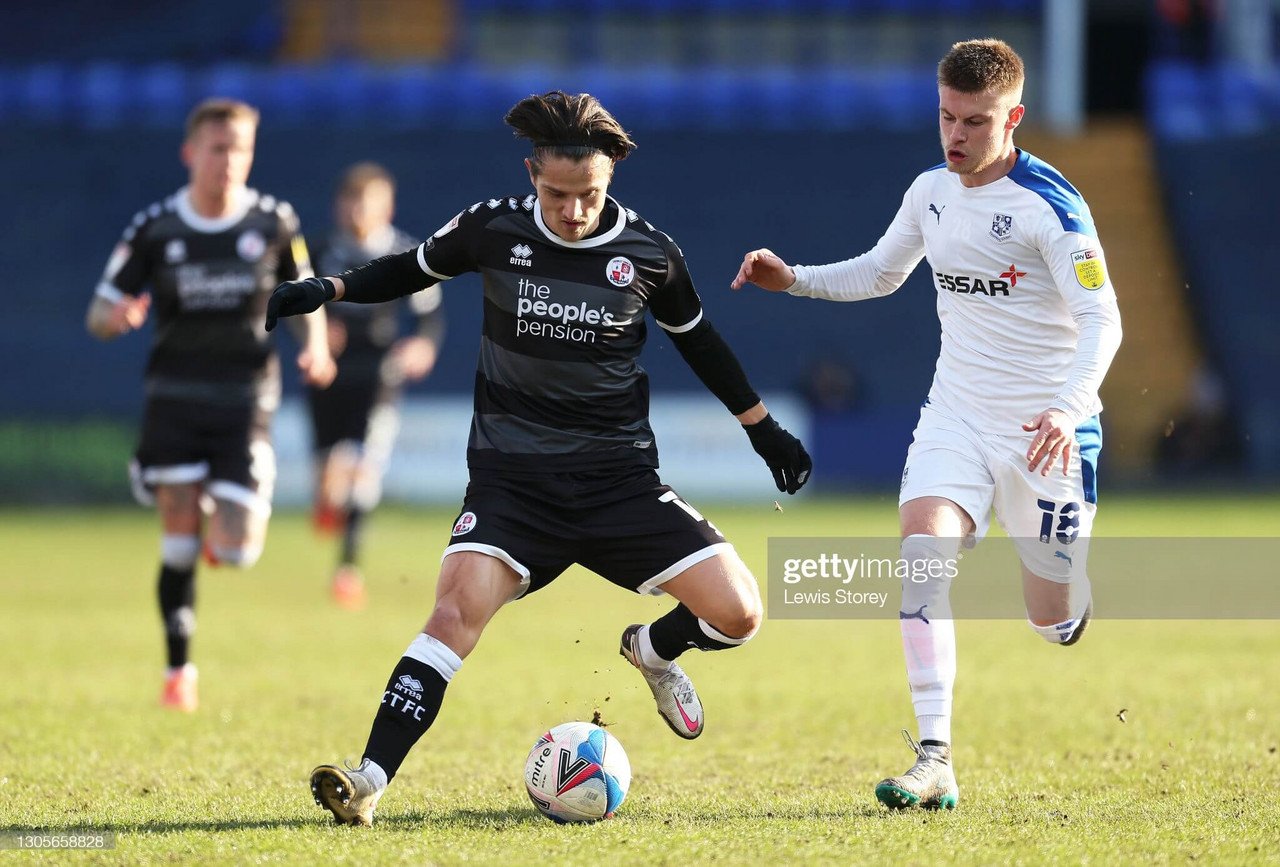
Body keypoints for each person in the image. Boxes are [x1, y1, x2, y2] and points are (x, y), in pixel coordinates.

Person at [266, 90, 812, 826]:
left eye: (586, 195)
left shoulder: (650, 253)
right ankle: (368, 779)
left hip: (619, 483)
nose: (572, 210)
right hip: (511, 484)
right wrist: (325, 290)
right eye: (556, 194)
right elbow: (408, 270)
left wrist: (761, 427)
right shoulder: (493, 227)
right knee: (453, 613)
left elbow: (701, 343)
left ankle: (652, 650)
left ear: (611, 174)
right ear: (532, 174)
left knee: (741, 612)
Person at [732, 39, 1122, 810]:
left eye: (975, 121)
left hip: (1048, 432)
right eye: (946, 116)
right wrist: (796, 280)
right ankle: (935, 755)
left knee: (1050, 618)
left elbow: (1102, 321)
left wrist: (1067, 408)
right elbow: (881, 271)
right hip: (958, 416)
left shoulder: (1054, 207)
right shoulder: (930, 191)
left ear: (1012, 117)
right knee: (920, 555)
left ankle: (1069, 605)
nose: (955, 135)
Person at [85, 97, 336, 712]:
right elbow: (97, 312)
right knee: (176, 537)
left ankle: (218, 519)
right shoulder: (156, 228)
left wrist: (319, 349)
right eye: (217, 148)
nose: (229, 161)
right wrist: (114, 318)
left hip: (245, 402)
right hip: (172, 400)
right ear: (190, 153)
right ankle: (179, 674)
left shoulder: (274, 222)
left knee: (236, 550)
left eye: (240, 150)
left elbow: (305, 299)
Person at [307, 162, 445, 609]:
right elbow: (293, 303)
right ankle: (329, 499)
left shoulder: (406, 253)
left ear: (387, 206)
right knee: (330, 473)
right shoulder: (322, 251)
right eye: (351, 202)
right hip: (329, 371)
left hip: (380, 373)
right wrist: (315, 332)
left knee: (363, 468)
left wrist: (421, 346)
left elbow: (429, 315)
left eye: (369, 202)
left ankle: (347, 570)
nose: (358, 212)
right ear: (339, 206)